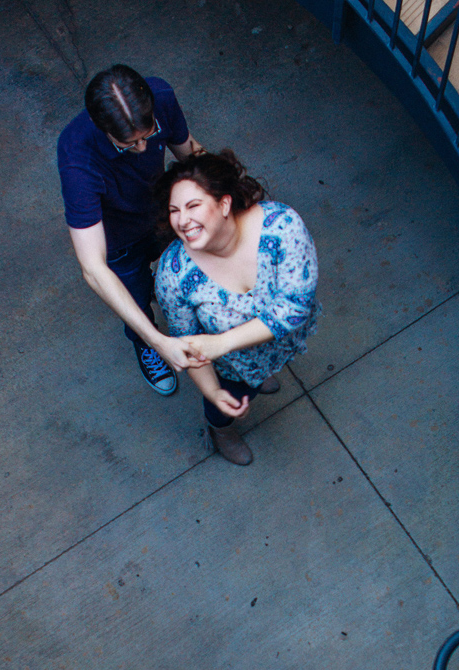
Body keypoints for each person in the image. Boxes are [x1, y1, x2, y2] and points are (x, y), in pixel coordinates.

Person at [153, 151, 319, 466]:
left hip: (268, 342)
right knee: (227, 402)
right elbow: (189, 342)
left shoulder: (280, 226)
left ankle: (262, 373)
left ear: (224, 204)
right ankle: (220, 432)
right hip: (231, 365)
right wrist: (213, 392)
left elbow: (295, 306)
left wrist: (221, 342)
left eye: (192, 206)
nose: (181, 220)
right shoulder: (173, 274)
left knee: (262, 374)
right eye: (174, 210)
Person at [58, 64, 207, 395]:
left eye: (148, 135)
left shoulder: (161, 96)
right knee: (136, 300)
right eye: (129, 144)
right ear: (102, 129)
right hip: (119, 242)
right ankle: (145, 345)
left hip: (163, 213)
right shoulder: (76, 157)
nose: (142, 149)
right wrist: (159, 341)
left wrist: (230, 198)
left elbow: (193, 157)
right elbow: (93, 268)